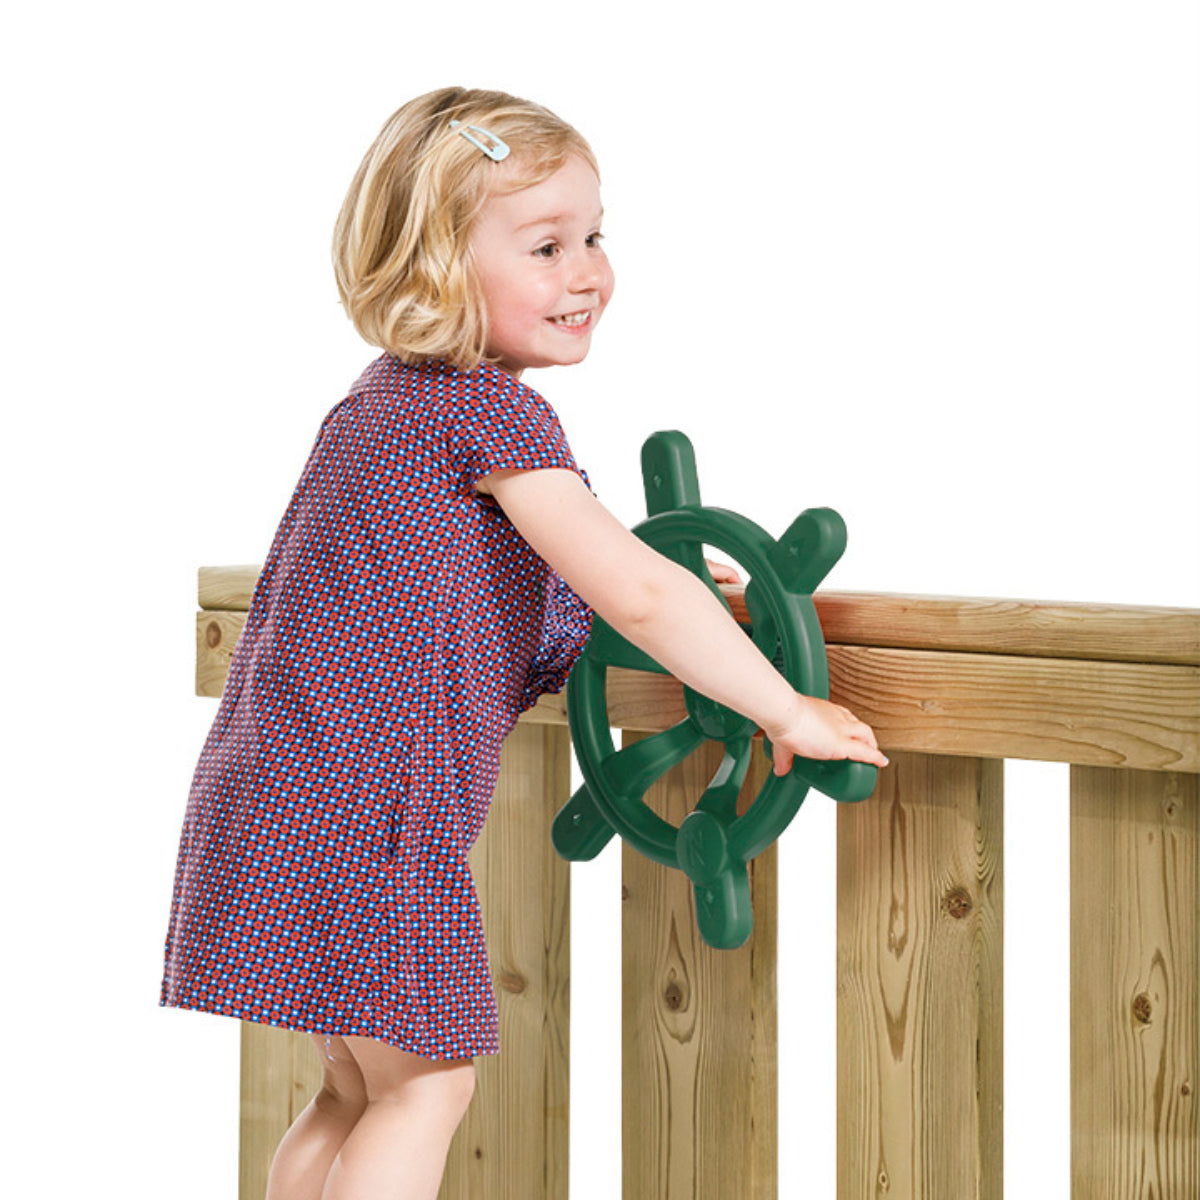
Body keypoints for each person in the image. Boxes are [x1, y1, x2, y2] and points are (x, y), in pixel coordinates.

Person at [160, 86, 888, 1200]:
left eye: (595, 235)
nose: (586, 269)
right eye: (545, 246)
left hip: (274, 793)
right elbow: (634, 594)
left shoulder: (381, 409)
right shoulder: (491, 413)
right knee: (425, 1087)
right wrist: (780, 706)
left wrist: (679, 587)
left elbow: (541, 585)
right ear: (432, 270)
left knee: (354, 1091)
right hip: (375, 817)